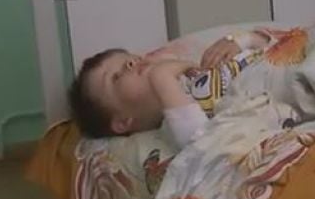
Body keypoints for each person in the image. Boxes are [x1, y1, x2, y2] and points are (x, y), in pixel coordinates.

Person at [67, 30, 272, 148]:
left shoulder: (194, 74)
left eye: (132, 59)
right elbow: (200, 144)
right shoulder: (171, 126)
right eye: (116, 76)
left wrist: (241, 41)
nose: (131, 64)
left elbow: (269, 44)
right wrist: (161, 77)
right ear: (122, 122)